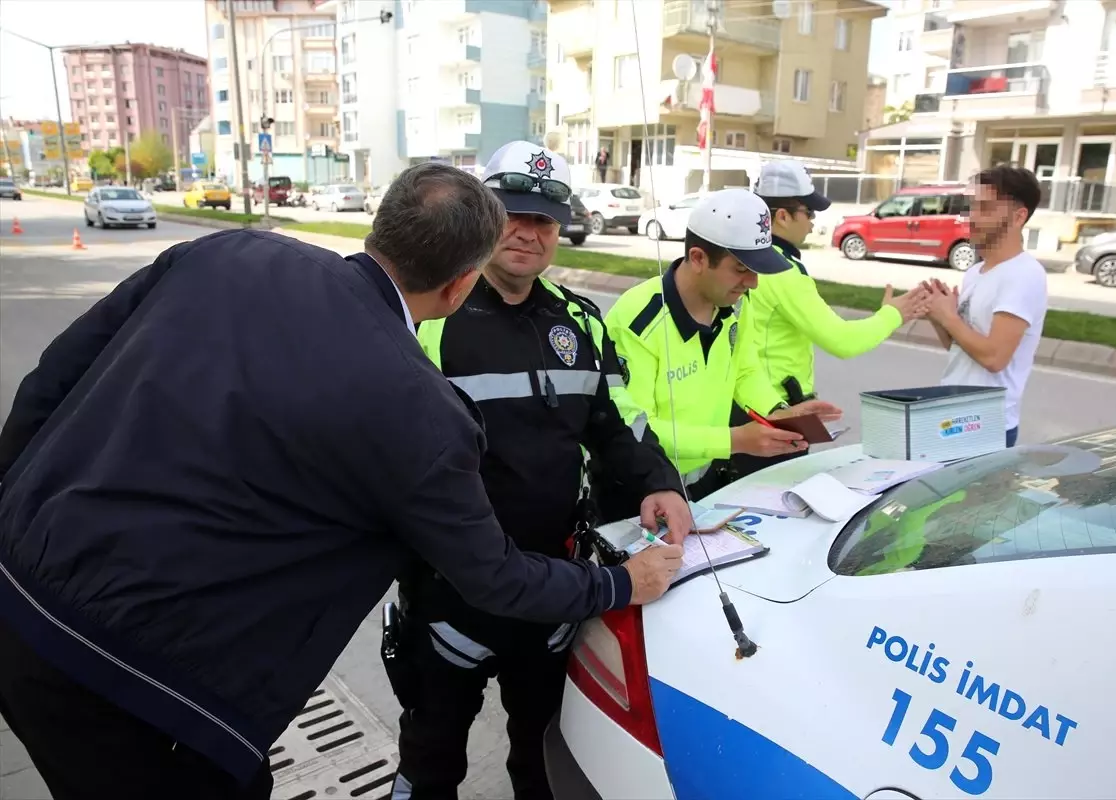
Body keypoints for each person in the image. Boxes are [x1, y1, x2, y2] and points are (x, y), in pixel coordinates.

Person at [0, 163, 683, 800]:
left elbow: (48, 386)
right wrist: (625, 582)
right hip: (147, 685)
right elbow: (495, 575)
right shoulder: (419, 404)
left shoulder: (226, 253)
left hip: (18, 589)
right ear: (459, 286)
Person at [394, 142, 689, 800]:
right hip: (451, 600)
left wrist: (658, 481)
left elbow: (616, 422)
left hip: (556, 591)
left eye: (545, 221)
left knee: (544, 760)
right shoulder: (432, 319)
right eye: (512, 214)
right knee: (431, 765)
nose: (527, 233)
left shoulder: (580, 320)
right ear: (482, 216)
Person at [600, 189, 842, 508]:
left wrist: (779, 413)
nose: (753, 283)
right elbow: (634, 426)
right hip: (639, 490)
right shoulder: (638, 319)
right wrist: (735, 440)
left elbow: (745, 372)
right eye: (742, 269)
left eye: (758, 270)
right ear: (699, 258)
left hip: (705, 480)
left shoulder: (737, 304)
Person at [734, 161, 931, 476]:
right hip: (777, 414)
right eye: (809, 214)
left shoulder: (744, 257)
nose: (813, 224)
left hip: (745, 407)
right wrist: (895, 314)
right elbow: (843, 341)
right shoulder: (782, 271)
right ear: (782, 216)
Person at [923, 166, 1047, 448]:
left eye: (986, 208)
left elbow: (994, 358)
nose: (973, 217)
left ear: (1018, 216)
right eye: (973, 206)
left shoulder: (1024, 274)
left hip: (987, 428)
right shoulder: (976, 271)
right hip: (953, 418)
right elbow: (959, 347)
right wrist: (938, 314)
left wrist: (950, 318)